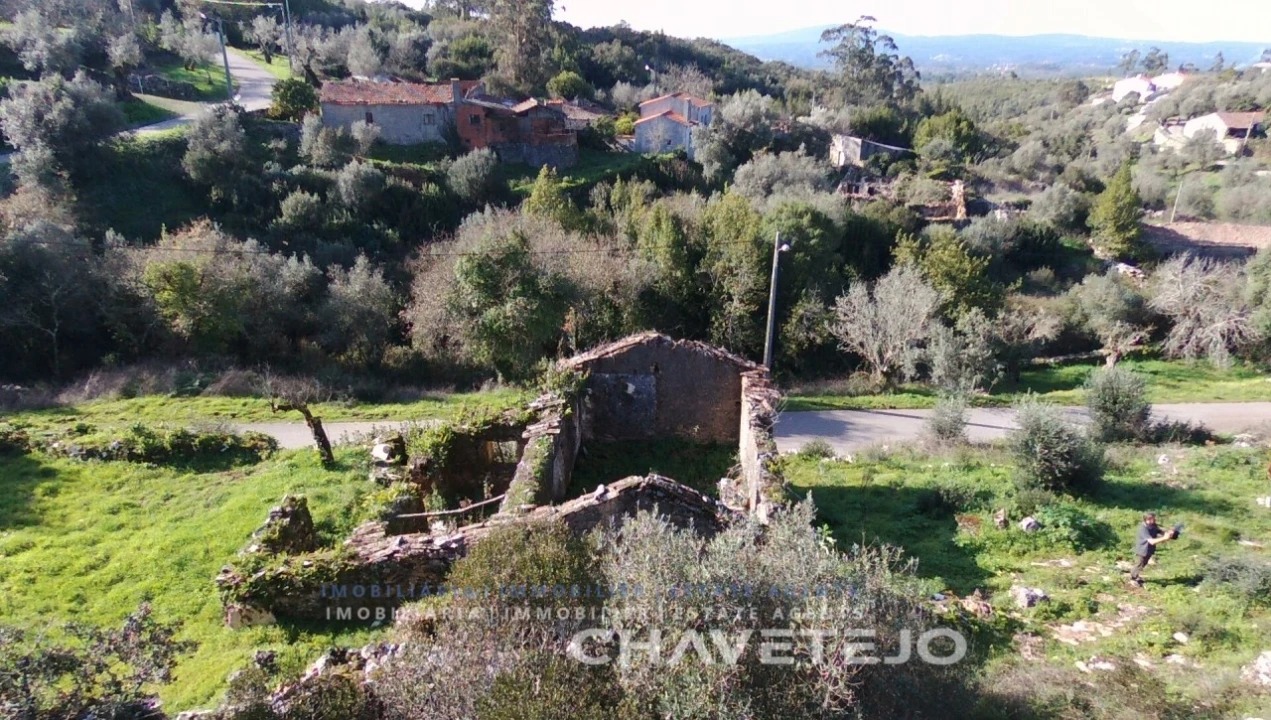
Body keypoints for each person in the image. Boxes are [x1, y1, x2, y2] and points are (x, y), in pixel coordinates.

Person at [1130, 512, 1177, 586]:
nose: (1155, 520)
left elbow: (1160, 531)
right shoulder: (1143, 529)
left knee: (1143, 564)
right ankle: (1133, 578)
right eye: (1153, 519)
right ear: (1147, 520)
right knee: (1139, 564)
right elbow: (1151, 541)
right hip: (1143, 549)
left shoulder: (1153, 525)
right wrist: (1164, 538)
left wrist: (1169, 533)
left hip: (1149, 549)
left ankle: (1136, 576)